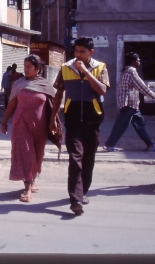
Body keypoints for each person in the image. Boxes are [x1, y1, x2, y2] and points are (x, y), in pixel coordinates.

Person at [50, 37, 110, 216]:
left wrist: (86, 72)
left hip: (93, 120)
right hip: (73, 119)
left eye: (82, 52)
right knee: (75, 157)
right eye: (76, 51)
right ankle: (75, 199)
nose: (78, 55)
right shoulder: (66, 68)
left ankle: (82, 192)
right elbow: (59, 94)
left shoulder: (101, 67)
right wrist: (53, 118)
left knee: (88, 159)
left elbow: (102, 90)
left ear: (91, 52)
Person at [1, 55, 62, 202]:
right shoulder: (19, 84)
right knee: (25, 154)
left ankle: (32, 178)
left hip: (39, 126)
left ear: (38, 69)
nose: (26, 69)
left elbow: (54, 106)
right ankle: (27, 189)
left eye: (29, 67)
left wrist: (53, 121)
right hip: (21, 124)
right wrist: (4, 122)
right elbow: (11, 104)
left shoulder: (45, 85)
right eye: (25, 66)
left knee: (37, 155)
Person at [103, 52, 155, 152]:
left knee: (139, 125)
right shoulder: (132, 72)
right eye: (138, 60)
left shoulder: (126, 72)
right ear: (133, 62)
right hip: (129, 104)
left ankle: (150, 144)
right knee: (121, 125)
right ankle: (109, 144)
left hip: (132, 104)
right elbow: (143, 88)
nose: (139, 62)